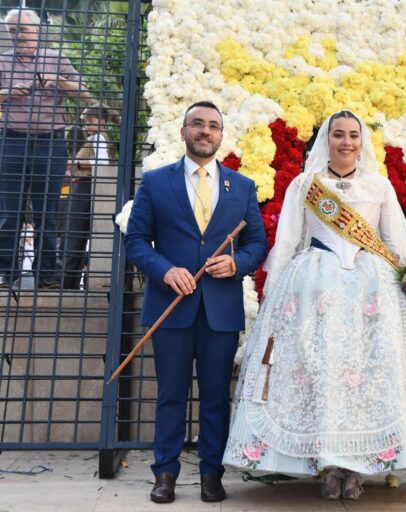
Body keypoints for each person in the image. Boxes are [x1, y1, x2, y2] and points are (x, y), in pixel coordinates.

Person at [223, 110, 406, 500]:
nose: (347, 142)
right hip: (314, 288)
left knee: (368, 374)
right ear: (326, 140)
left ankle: (358, 466)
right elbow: (287, 240)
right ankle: (327, 463)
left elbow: (397, 241)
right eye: (338, 135)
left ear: (362, 142)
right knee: (320, 374)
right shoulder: (306, 184)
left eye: (354, 135)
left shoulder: (379, 185)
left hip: (373, 292)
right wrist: (274, 291)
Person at [124, 101, 268, 504]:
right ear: (184, 131)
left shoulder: (241, 187)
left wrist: (237, 262)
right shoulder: (155, 182)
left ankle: (211, 474)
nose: (206, 131)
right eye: (198, 124)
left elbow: (258, 243)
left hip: (220, 310)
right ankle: (165, 473)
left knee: (216, 395)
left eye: (214, 126)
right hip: (170, 306)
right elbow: (135, 240)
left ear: (221, 136)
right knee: (170, 393)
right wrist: (165, 270)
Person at [0, 8, 91, 289]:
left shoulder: (56, 58)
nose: (17, 36)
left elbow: (86, 95)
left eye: (23, 30)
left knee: (47, 213)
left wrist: (60, 81)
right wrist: (7, 91)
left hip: (50, 143)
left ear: (38, 31)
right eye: (12, 31)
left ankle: (47, 275)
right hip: (10, 140)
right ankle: (7, 272)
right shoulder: (2, 61)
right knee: (8, 212)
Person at [61, 104, 113, 289]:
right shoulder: (95, 138)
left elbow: (102, 162)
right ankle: (70, 281)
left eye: (91, 122)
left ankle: (68, 284)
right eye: (87, 123)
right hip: (83, 186)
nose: (87, 126)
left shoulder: (99, 138)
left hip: (85, 188)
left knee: (75, 236)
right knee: (77, 237)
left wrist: (73, 162)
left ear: (103, 122)